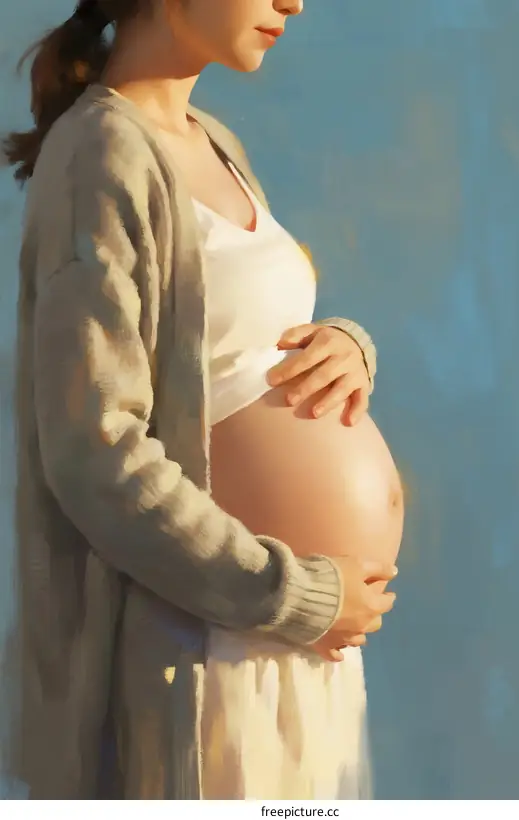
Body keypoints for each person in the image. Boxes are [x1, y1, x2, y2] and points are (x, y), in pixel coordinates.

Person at [3, 0, 404, 800]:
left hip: (293, 646)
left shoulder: (215, 142)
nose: (293, 2)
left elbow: (238, 342)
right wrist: (291, 594)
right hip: (206, 662)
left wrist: (347, 346)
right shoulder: (102, 154)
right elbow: (96, 453)